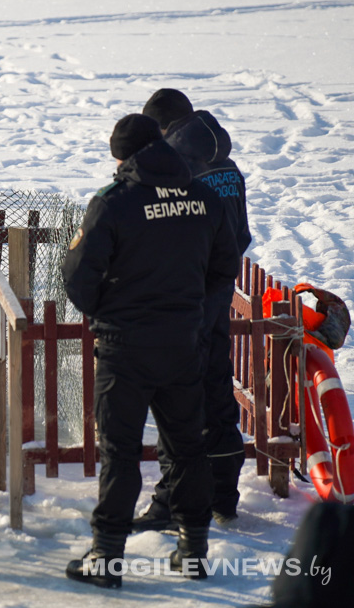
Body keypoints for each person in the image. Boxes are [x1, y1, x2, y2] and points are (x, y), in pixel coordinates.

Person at [62, 114, 240, 588]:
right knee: (187, 447)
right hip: (184, 343)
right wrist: (195, 313)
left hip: (125, 347)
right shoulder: (204, 197)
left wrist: (111, 311)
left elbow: (78, 279)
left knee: (119, 453)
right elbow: (227, 264)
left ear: (122, 156)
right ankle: (193, 550)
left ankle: (106, 556)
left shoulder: (112, 203)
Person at [133, 89, 252, 532]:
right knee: (217, 392)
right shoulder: (228, 165)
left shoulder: (180, 165)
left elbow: (168, 229)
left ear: (164, 128)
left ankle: (171, 500)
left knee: (176, 400)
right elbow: (237, 233)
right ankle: (224, 494)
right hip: (218, 290)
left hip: (183, 297)